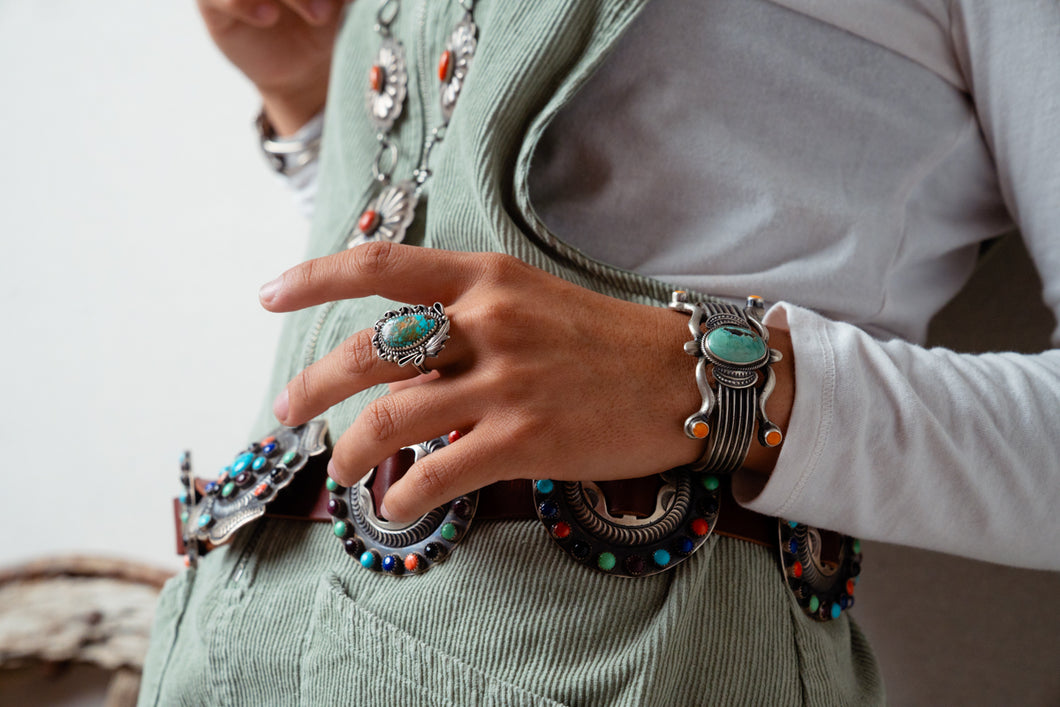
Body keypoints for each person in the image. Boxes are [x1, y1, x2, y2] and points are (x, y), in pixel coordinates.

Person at [140, 0, 1060, 704]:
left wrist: (706, 383)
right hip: (211, 651)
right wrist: (316, 101)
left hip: (599, 661)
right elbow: (445, 250)